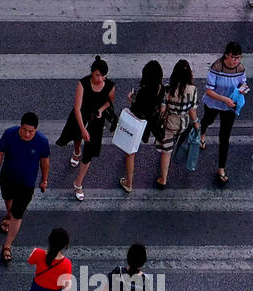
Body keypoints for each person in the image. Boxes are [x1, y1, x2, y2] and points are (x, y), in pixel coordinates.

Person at [0, 113, 51, 264]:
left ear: (36, 130)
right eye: (24, 130)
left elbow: (45, 161)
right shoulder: (10, 134)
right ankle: (8, 215)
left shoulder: (42, 141)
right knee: (7, 199)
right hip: (7, 178)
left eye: (31, 131)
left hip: (27, 184)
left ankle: (7, 246)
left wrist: (44, 180)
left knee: (17, 214)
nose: (27, 134)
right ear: (20, 126)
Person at [56, 56, 115, 202]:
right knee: (77, 136)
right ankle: (76, 152)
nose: (100, 78)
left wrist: (101, 110)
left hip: (96, 120)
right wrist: (83, 129)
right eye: (97, 75)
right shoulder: (83, 83)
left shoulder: (110, 86)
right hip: (80, 116)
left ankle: (78, 184)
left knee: (89, 153)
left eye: (103, 76)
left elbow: (109, 102)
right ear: (91, 73)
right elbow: (77, 108)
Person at [199, 43, 248, 186]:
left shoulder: (240, 69)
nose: (236, 61)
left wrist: (241, 92)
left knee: (225, 137)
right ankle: (202, 133)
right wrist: (224, 99)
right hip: (213, 103)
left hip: (229, 107)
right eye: (234, 57)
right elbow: (209, 91)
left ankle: (221, 168)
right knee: (207, 120)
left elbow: (243, 84)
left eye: (238, 58)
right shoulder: (216, 68)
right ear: (227, 55)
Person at [119, 60, 165, 193]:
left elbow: (136, 111)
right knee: (162, 141)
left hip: (139, 123)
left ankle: (128, 182)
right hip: (152, 121)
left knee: (130, 153)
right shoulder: (160, 88)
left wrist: (131, 99)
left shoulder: (144, 92)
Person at [155, 60, 200, 188]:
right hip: (183, 124)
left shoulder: (168, 89)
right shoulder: (193, 90)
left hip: (169, 124)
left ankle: (163, 179)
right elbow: (192, 110)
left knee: (166, 152)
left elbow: (163, 110)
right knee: (180, 143)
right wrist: (196, 123)